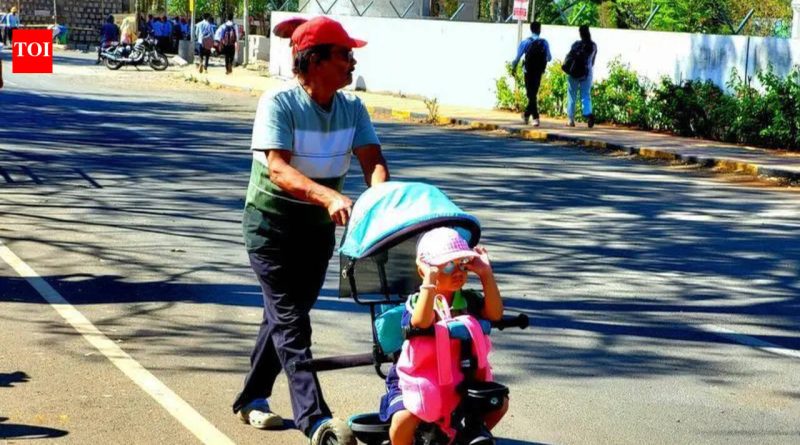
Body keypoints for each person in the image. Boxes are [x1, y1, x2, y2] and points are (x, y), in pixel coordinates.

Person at [233, 15, 389, 445]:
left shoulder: (352, 108)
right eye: (344, 54)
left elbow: (372, 162)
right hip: (271, 228)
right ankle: (316, 421)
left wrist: (380, 202)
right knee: (292, 324)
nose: (351, 62)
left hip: (316, 233)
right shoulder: (279, 103)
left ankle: (251, 398)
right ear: (316, 60)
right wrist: (329, 198)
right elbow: (279, 168)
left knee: (285, 318)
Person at [380, 227, 507, 445]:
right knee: (404, 419)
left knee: (499, 403)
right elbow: (421, 322)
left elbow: (495, 314)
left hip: (461, 377)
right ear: (425, 270)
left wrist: (486, 273)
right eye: (447, 266)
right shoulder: (418, 302)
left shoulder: (467, 300)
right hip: (417, 379)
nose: (457, 272)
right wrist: (428, 282)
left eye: (462, 265)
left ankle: (462, 437)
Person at [511, 21, 551, 127]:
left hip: (528, 71)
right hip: (538, 71)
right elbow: (549, 58)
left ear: (531, 29)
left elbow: (517, 58)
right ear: (539, 29)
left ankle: (535, 118)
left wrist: (513, 67)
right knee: (533, 94)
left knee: (531, 94)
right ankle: (526, 115)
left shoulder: (525, 42)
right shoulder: (544, 42)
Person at [564, 25, 598, 128]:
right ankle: (588, 114)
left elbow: (569, 57)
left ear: (580, 33)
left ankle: (570, 120)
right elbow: (592, 62)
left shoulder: (576, 44)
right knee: (586, 95)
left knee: (571, 95)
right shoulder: (593, 46)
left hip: (573, 72)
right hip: (587, 73)